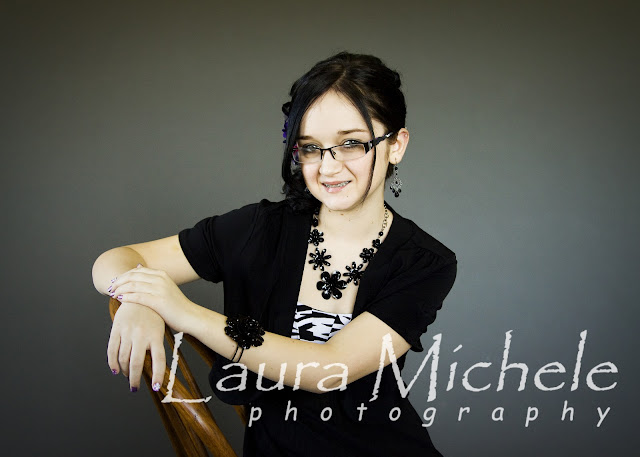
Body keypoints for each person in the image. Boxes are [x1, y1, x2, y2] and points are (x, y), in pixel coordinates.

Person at [92, 51, 458, 456]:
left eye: (351, 143)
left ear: (396, 145)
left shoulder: (426, 262)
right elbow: (113, 260)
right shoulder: (261, 230)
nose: (328, 167)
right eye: (311, 148)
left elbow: (328, 369)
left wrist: (182, 312)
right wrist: (137, 299)